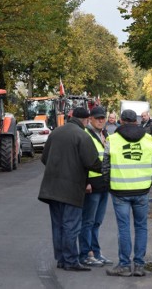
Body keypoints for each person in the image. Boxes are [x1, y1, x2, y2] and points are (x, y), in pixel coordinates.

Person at [38, 107, 102, 271]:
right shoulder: (82, 135)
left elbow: (44, 158)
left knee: (58, 225)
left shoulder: (56, 133)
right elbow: (92, 162)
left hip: (51, 189)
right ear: (86, 120)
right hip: (72, 188)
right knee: (71, 225)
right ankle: (71, 261)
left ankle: (61, 259)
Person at [103, 109, 152, 277]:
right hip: (142, 190)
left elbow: (105, 166)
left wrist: (110, 185)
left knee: (124, 228)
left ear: (120, 120)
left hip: (120, 191)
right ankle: (140, 265)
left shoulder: (112, 139)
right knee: (141, 227)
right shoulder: (148, 139)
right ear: (136, 120)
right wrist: (149, 183)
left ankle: (124, 265)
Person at [78, 106, 113, 267]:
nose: (101, 120)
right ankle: (85, 254)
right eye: (97, 118)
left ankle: (96, 253)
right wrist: (86, 182)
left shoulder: (104, 134)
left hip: (103, 184)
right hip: (91, 186)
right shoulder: (85, 135)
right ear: (90, 119)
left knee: (97, 222)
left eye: (102, 118)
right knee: (88, 221)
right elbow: (81, 162)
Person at [140, 110, 152, 184]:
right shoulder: (141, 124)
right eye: (142, 116)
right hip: (142, 147)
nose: (143, 117)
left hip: (149, 146)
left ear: (148, 116)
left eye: (144, 116)